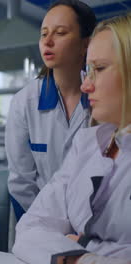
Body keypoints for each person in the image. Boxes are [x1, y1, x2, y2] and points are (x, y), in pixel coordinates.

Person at [12, 14, 131, 264]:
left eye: (99, 69)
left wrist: (80, 248)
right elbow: (28, 230)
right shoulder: (90, 143)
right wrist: (82, 255)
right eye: (44, 33)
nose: (87, 86)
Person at [5, 0, 97, 218]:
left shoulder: (101, 98)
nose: (48, 41)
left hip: (93, 225)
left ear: (86, 44)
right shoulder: (24, 102)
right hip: (39, 223)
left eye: (60, 33)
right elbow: (20, 184)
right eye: (43, 33)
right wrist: (48, 228)